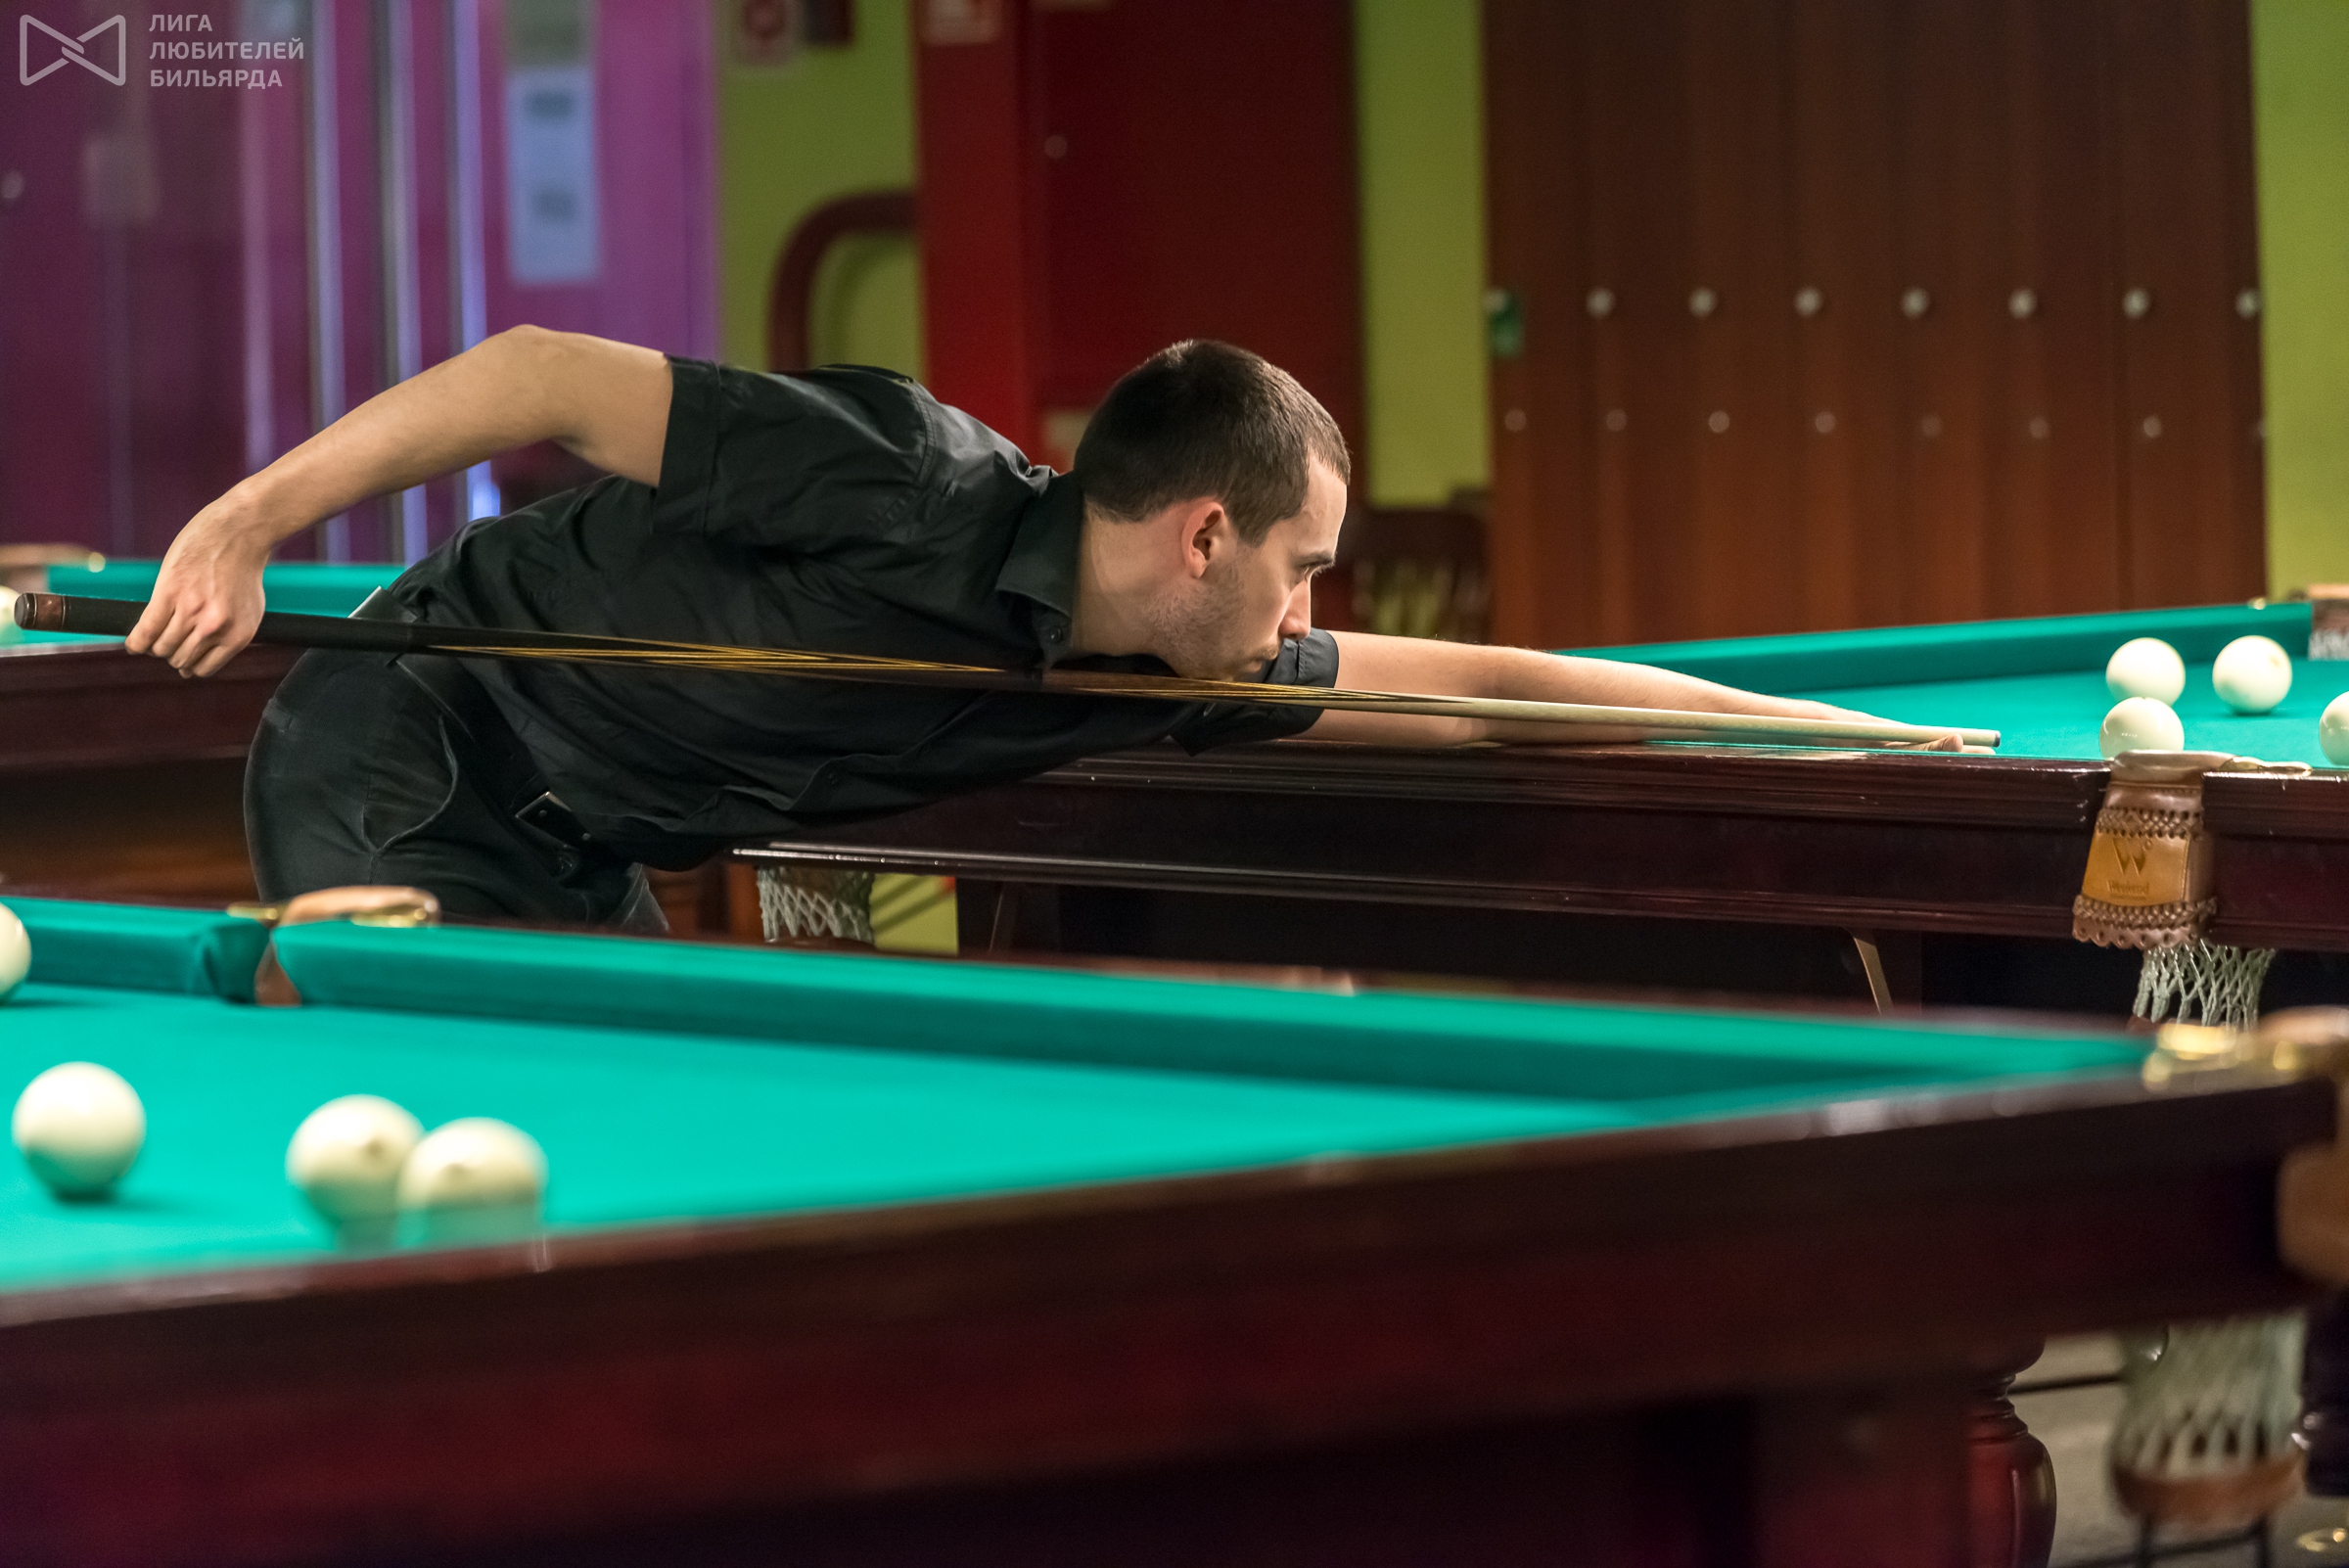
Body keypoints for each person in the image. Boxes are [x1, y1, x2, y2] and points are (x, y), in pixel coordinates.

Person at [128, 331, 1894, 931]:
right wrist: (247, 519)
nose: (1309, 616)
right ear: (1204, 534)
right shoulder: (903, 474)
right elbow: (538, 378)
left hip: (586, 835)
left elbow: (1488, 693)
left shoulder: (1164, 666)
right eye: (1303, 568)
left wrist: (1822, 730)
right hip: (408, 738)